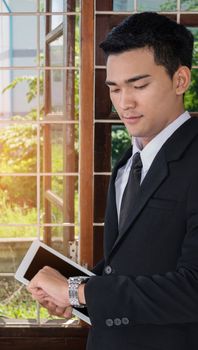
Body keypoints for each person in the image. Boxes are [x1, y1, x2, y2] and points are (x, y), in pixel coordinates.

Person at [27, 12, 198, 350]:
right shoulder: (129, 160)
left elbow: (192, 287)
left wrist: (77, 291)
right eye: (115, 89)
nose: (124, 103)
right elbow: (129, 261)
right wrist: (76, 295)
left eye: (139, 85)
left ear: (180, 80)